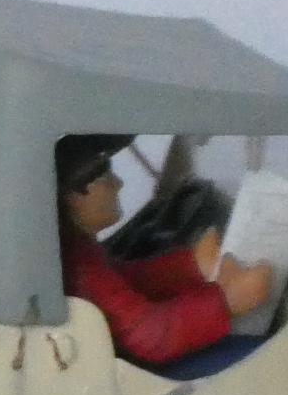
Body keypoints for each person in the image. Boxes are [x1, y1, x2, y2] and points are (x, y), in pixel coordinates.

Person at [56, 133, 271, 372]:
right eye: (105, 177)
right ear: (74, 198)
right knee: (263, 356)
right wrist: (228, 302)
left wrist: (191, 266)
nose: (118, 184)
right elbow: (151, 335)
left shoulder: (74, 248)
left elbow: (123, 281)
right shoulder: (79, 267)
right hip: (128, 371)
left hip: (118, 362)